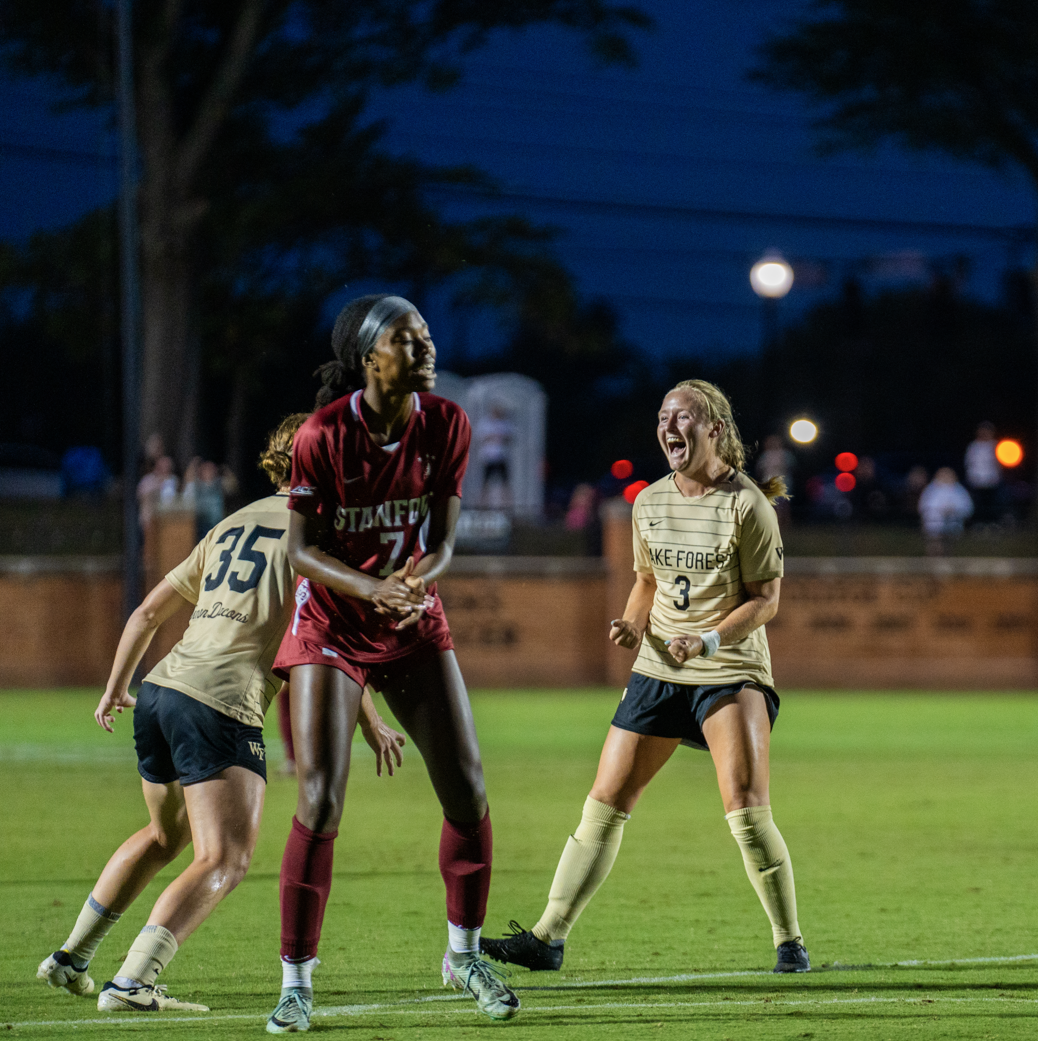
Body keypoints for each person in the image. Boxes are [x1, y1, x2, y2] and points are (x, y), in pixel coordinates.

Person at [37, 413, 404, 1013]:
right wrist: (374, 720)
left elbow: (146, 614)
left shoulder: (234, 521)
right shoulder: (320, 536)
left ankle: (72, 956)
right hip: (220, 704)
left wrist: (115, 688)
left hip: (159, 691)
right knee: (225, 858)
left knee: (165, 835)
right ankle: (133, 983)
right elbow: (324, 641)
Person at [481, 379, 810, 976]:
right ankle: (548, 937)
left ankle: (789, 940)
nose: (668, 427)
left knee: (744, 808)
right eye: (662, 416)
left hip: (728, 671)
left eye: (681, 416)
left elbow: (766, 601)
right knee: (604, 803)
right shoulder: (649, 501)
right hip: (659, 669)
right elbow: (647, 582)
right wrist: (634, 625)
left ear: (712, 426)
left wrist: (707, 639)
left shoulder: (747, 504)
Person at [266, 293, 519, 1033]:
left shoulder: (447, 423)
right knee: (319, 798)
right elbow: (301, 549)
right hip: (334, 625)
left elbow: (443, 536)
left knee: (467, 787)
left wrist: (419, 582)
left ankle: (464, 954)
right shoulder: (322, 435)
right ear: (370, 357)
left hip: (410, 620)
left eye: (428, 338)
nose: (426, 350)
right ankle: (295, 984)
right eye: (409, 341)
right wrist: (371, 586)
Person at [918, 466, 973, 555]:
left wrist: (954, 511)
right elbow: (923, 507)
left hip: (953, 525)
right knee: (935, 544)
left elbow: (967, 508)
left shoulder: (959, 491)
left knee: (949, 546)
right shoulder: (931, 490)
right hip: (934, 525)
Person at [963, 421, 1002, 525]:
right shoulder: (973, 446)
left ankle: (991, 524)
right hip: (976, 481)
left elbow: (1001, 463)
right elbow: (968, 463)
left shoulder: (995, 445)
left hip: (992, 481)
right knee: (977, 504)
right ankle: (978, 524)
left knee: (991, 504)